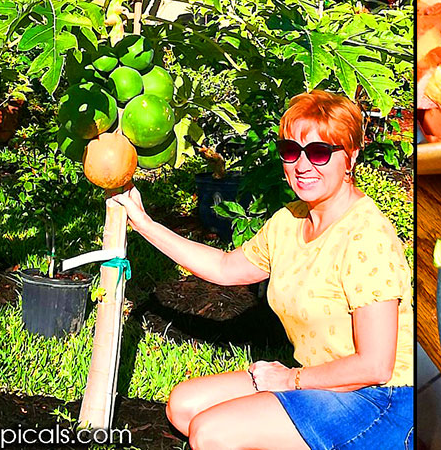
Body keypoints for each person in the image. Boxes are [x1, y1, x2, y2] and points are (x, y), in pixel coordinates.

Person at [110, 90, 413, 450]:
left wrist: (292, 380)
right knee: (184, 407)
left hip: (380, 401)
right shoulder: (289, 221)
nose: (302, 165)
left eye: (318, 152)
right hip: (320, 384)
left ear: (351, 156)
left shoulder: (366, 236)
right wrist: (142, 222)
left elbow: (376, 366)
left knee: (211, 433)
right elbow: (224, 267)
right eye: (291, 151)